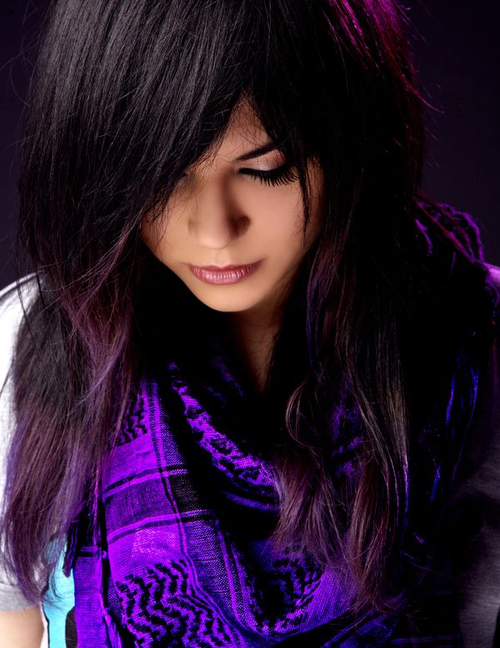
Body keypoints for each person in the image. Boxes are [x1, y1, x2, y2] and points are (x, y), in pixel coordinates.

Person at [0, 0, 499, 645]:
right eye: (163, 175)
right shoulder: (34, 342)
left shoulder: (479, 346)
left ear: (354, 139)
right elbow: (14, 618)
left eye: (265, 169)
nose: (215, 231)